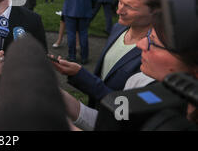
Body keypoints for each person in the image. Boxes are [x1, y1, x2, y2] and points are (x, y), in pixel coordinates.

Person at [59, 12, 198, 130]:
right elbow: (115, 123)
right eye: (148, 36)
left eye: (154, 42)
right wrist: (57, 96)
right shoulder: (137, 80)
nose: (140, 44)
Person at [52, 0, 160, 109]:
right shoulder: (118, 29)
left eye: (130, 7)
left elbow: (130, 109)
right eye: (120, 2)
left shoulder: (157, 55)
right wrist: (78, 73)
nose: (119, 10)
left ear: (156, 12)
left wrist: (82, 77)